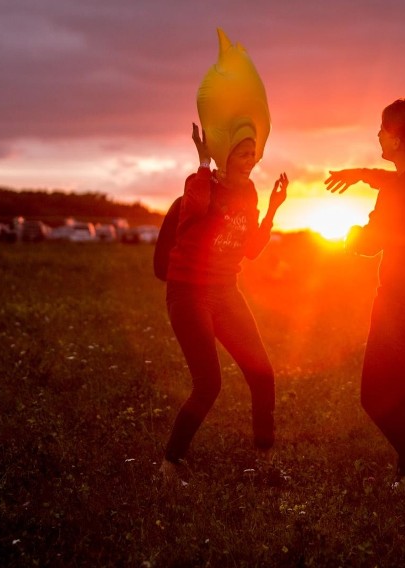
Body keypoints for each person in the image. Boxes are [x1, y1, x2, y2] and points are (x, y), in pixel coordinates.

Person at [324, 99, 405, 497]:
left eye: (382, 128)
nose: (377, 134)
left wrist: (348, 236)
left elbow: (369, 242)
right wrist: (364, 174)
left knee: (375, 396)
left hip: (401, 306)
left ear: (396, 138)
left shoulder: (398, 192)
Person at [159, 123, 288, 479]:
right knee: (209, 384)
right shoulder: (199, 184)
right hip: (188, 292)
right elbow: (195, 210)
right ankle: (169, 465)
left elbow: (251, 251)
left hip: (226, 291)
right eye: (242, 154)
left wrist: (273, 209)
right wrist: (203, 163)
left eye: (252, 154)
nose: (249, 161)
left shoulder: (250, 192)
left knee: (263, 375)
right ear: (224, 155)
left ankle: (265, 461)